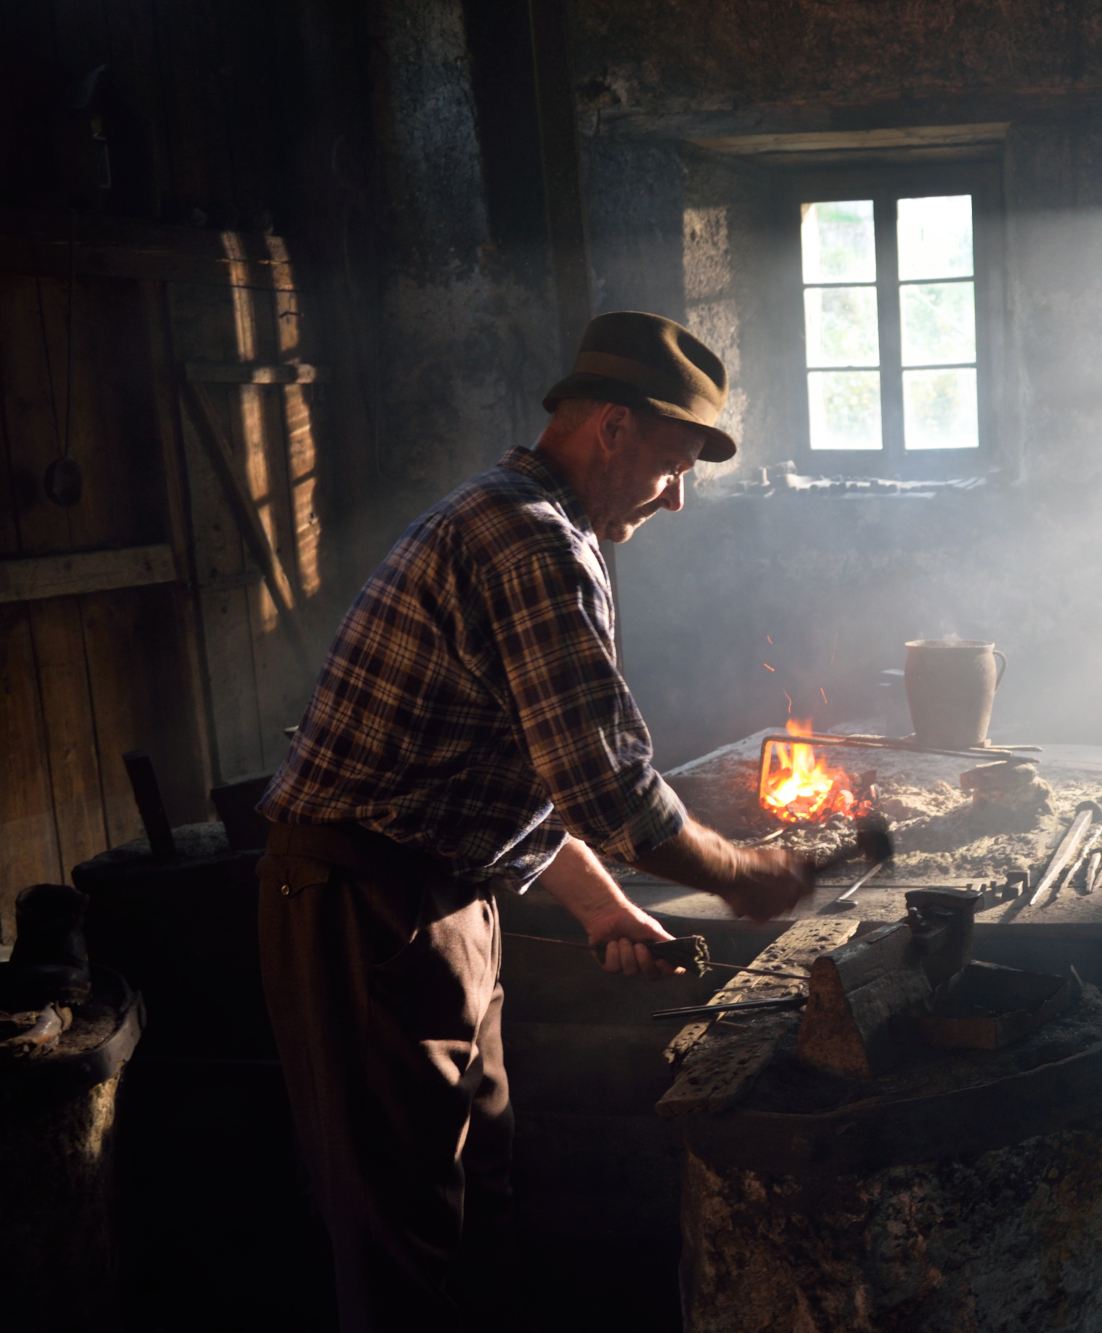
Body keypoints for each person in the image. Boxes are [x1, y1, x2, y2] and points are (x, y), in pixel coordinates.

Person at [255, 311, 813, 1330]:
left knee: (477, 1197)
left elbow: (498, 781)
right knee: (402, 1229)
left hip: (438, 898)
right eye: (673, 464)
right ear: (611, 427)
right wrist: (741, 872)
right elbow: (607, 786)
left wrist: (602, 909)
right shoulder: (526, 538)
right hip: (365, 906)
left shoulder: (524, 524)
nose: (677, 496)